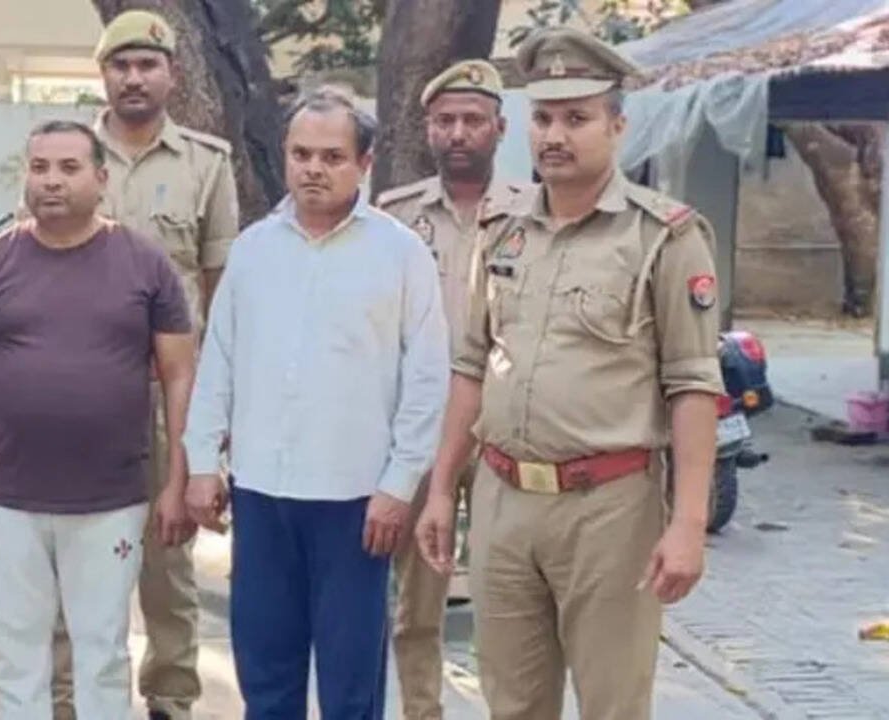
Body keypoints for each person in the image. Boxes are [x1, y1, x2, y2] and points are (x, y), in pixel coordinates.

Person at [415, 27, 723, 720]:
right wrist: (441, 489)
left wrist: (689, 524)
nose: (555, 136)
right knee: (512, 703)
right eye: (544, 118)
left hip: (608, 509)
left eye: (577, 118)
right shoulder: (502, 230)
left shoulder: (663, 237)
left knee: (612, 705)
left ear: (617, 126)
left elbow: (693, 386)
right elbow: (472, 365)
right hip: (502, 500)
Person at [183, 87, 450, 719]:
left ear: (365, 162)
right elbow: (218, 361)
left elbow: (427, 379)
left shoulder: (401, 254)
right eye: (301, 154)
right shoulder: (253, 250)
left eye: (332, 157)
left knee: (350, 683)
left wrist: (399, 485)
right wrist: (201, 462)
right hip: (262, 495)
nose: (313, 169)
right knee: (266, 676)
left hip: (356, 503)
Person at [0, 120, 198, 719]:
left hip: (112, 499)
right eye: (39, 168)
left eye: (68, 168)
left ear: (102, 179)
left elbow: (180, 376)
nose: (51, 181)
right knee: (17, 656)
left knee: (102, 655)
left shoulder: (145, 263)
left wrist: (178, 484)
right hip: (10, 499)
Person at [23, 12, 240, 720]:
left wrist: (216, 412)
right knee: (68, 551)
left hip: (166, 394)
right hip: (79, 396)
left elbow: (220, 292)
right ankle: (68, 698)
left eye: (148, 64)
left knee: (166, 557)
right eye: (121, 65)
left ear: (172, 75)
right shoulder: (67, 156)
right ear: (103, 75)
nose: (134, 77)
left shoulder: (206, 164)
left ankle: (170, 696)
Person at [375, 58, 522, 720]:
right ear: (428, 129)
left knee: (506, 598)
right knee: (417, 604)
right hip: (421, 432)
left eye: (472, 120)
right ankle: (422, 712)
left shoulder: (535, 214)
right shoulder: (394, 217)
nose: (458, 133)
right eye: (444, 121)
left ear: (499, 128)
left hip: (504, 433)